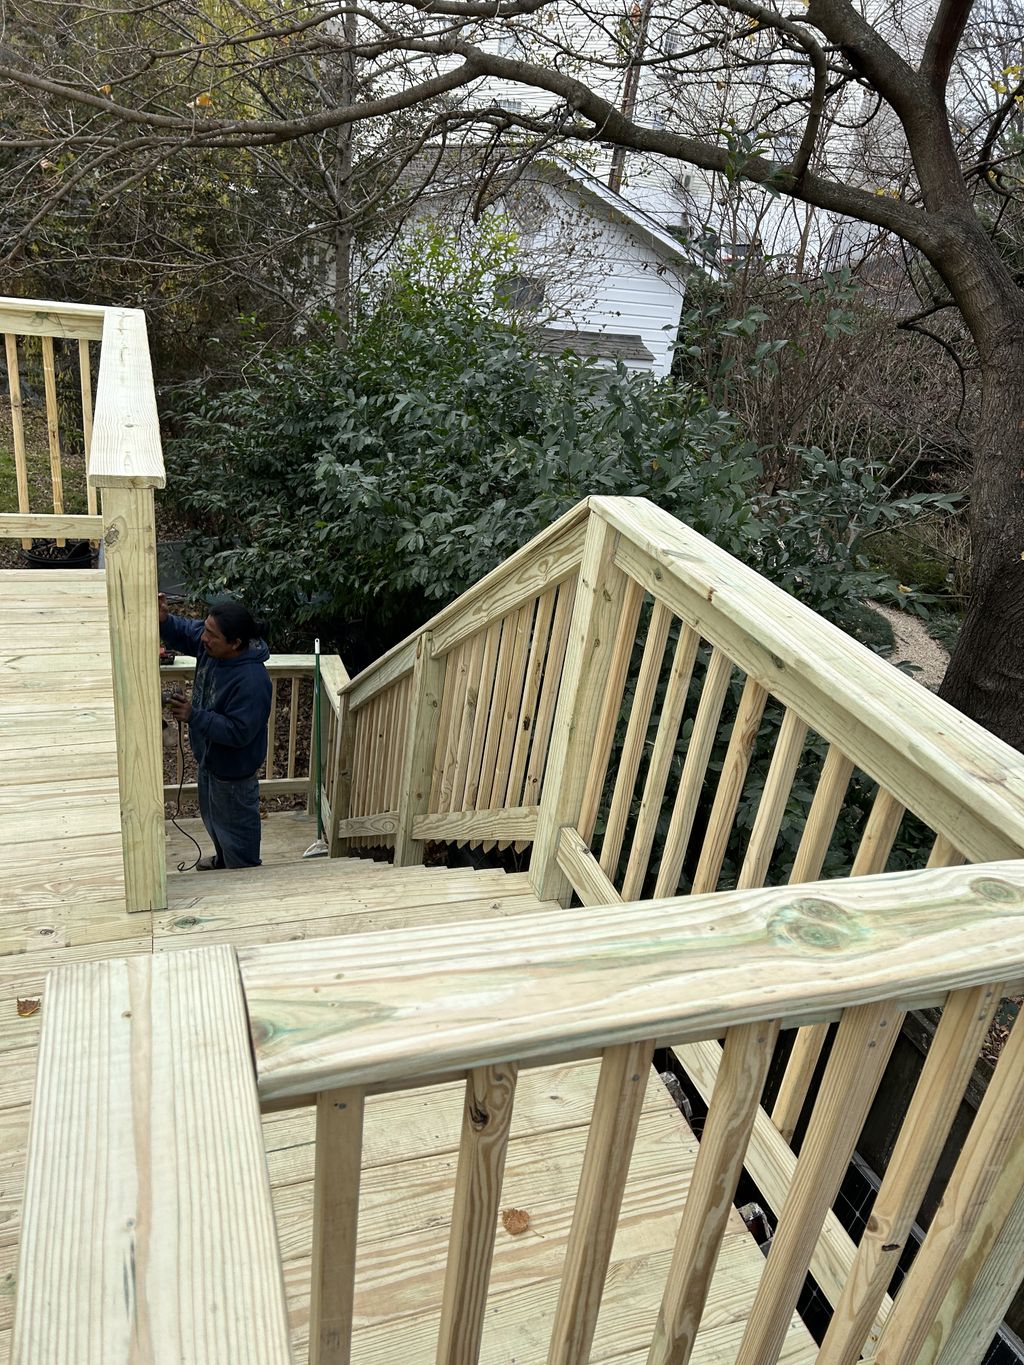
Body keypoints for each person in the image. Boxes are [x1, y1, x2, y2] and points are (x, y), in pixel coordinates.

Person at [158, 594, 273, 869]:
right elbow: (187, 632)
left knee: (238, 838)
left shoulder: (252, 681)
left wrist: (194, 716)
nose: (203, 638)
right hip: (210, 763)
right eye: (206, 630)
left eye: (211, 635)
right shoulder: (213, 647)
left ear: (235, 643)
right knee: (215, 823)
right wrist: (164, 621)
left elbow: (238, 732)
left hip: (234, 778)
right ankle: (224, 861)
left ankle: (243, 880)